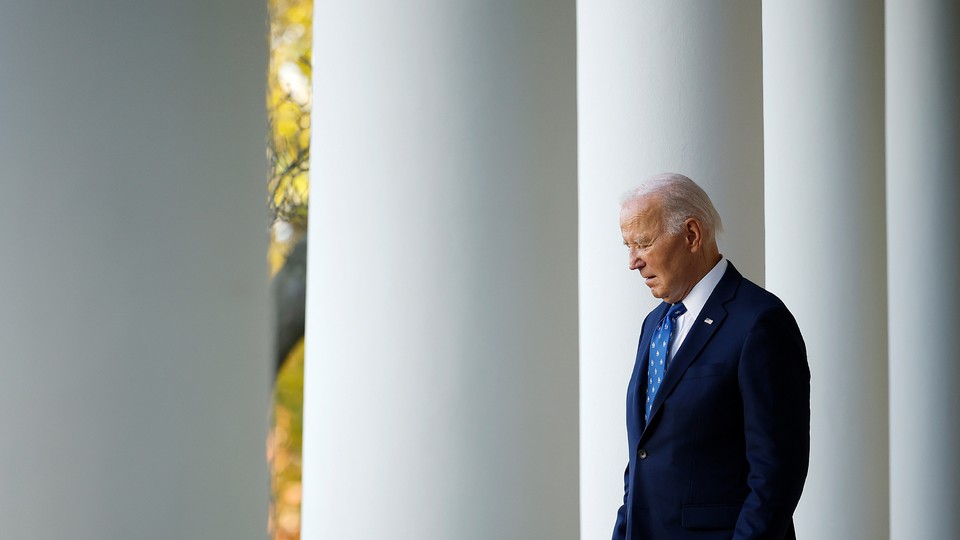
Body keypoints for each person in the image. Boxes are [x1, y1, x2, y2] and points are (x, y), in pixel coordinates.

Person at [612, 173, 810, 540]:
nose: (633, 261)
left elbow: (776, 476)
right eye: (627, 245)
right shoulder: (653, 324)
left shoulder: (760, 322)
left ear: (691, 235)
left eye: (642, 242)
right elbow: (644, 456)